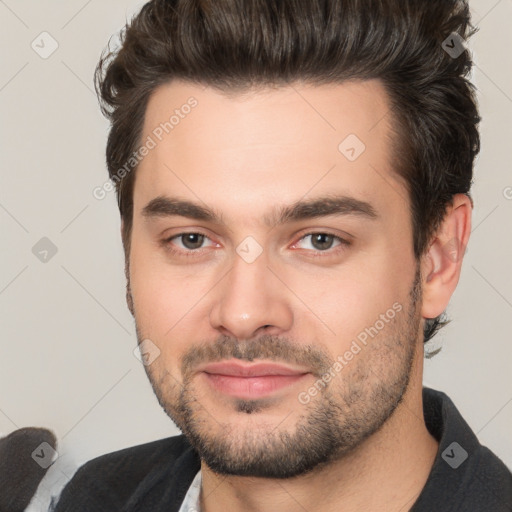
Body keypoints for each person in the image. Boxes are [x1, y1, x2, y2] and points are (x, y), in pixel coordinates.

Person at [52, 0, 512, 511]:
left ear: (438, 257)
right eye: (192, 239)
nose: (244, 314)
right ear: (128, 252)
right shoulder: (85, 498)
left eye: (320, 240)